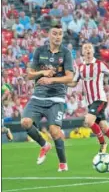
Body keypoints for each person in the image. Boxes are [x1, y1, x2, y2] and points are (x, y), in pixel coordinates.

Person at [22, 23, 73, 172]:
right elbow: (29, 74)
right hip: (38, 96)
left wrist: (51, 80)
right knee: (25, 122)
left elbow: (69, 78)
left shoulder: (66, 53)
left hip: (56, 97)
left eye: (60, 34)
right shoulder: (39, 51)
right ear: (49, 35)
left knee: (54, 131)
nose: (57, 36)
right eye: (55, 33)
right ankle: (44, 145)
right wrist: (42, 73)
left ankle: (62, 163)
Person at [67, 43, 109, 155]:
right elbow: (73, 83)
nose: (87, 49)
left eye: (89, 47)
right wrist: (63, 82)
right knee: (104, 127)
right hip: (90, 102)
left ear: (93, 51)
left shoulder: (100, 64)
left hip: (100, 99)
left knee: (88, 120)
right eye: (85, 48)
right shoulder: (80, 67)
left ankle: (102, 143)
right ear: (82, 52)